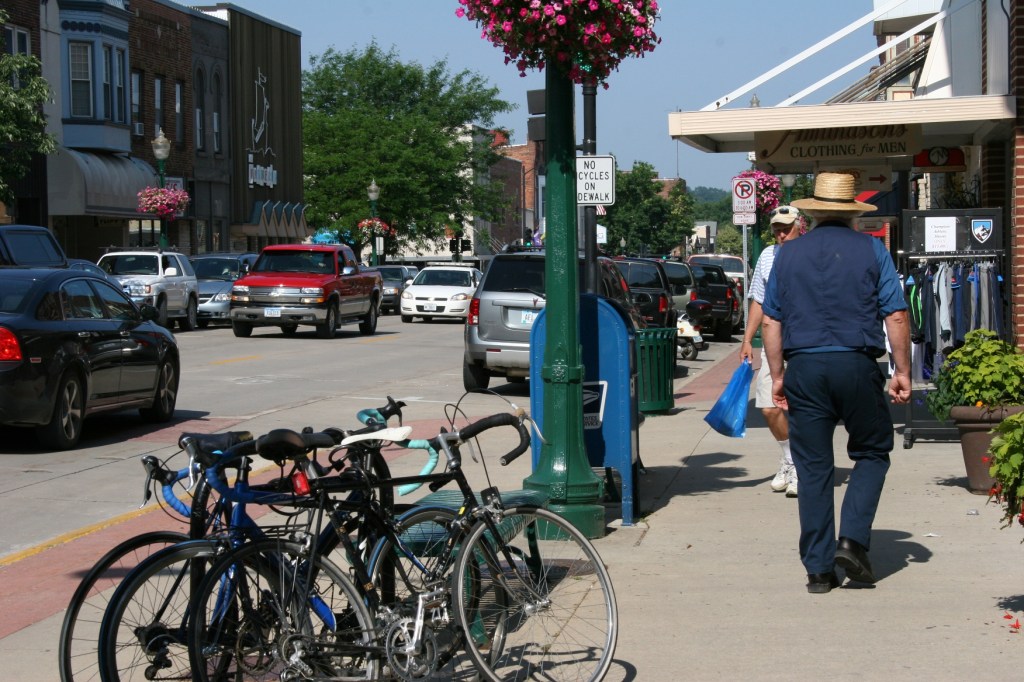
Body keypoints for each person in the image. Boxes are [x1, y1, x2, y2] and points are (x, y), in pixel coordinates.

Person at [760, 172, 911, 595]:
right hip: (857, 363)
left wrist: (777, 376)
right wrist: (902, 371)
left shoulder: (785, 255)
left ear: (813, 212)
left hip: (804, 365)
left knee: (812, 468)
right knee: (872, 451)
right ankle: (852, 539)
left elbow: (771, 320)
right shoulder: (871, 249)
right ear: (851, 214)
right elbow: (895, 315)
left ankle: (818, 570)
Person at [739, 205, 803, 498]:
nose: (781, 233)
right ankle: (790, 458)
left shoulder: (811, 254)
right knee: (767, 406)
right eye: (777, 228)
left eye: (786, 227)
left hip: (804, 344)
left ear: (800, 225)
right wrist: (747, 339)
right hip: (773, 344)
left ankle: (802, 468)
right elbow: (758, 301)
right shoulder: (767, 256)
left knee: (802, 409)